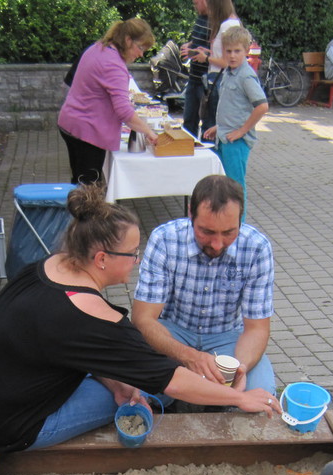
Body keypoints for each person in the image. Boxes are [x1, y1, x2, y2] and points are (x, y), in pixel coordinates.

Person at [0, 184, 278, 453]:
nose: (137, 261)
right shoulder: (95, 318)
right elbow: (172, 379)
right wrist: (240, 398)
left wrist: (115, 381)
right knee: (146, 390)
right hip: (14, 428)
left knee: (129, 386)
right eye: (132, 253)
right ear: (101, 259)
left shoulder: (47, 266)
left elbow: (74, 346)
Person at [132, 175, 276, 394]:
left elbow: (256, 329)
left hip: (227, 335)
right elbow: (143, 319)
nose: (217, 244)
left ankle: (195, 392)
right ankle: (179, 395)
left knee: (260, 391)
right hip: (173, 331)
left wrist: (240, 368)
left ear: (240, 218)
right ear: (191, 212)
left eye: (229, 232)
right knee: (136, 388)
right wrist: (190, 357)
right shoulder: (165, 239)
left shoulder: (257, 247)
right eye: (207, 232)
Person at [57, 19, 159, 185]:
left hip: (71, 123)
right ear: (128, 40)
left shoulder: (98, 48)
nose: (141, 54)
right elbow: (124, 112)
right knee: (90, 190)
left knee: (79, 183)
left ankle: (76, 200)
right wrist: (149, 132)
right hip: (86, 131)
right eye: (140, 48)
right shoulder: (113, 64)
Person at [203, 25, 268, 201]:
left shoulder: (246, 76)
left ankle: (239, 219)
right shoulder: (228, 72)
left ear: (246, 51)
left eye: (237, 51)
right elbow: (233, 106)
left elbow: (262, 106)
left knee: (235, 187)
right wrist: (219, 126)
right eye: (228, 51)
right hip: (224, 137)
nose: (232, 56)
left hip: (236, 141)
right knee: (223, 185)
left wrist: (242, 131)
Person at [202, 0, 241, 137]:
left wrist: (206, 58)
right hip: (220, 78)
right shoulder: (233, 22)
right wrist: (208, 53)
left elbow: (226, 62)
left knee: (210, 127)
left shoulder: (226, 26)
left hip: (218, 79)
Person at [180, 0, 211, 138]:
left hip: (206, 81)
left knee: (207, 126)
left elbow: (213, 50)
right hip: (193, 77)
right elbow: (199, 40)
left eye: (196, 3)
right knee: (188, 122)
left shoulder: (217, 21)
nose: (194, 6)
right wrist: (190, 44)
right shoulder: (201, 17)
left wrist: (192, 52)